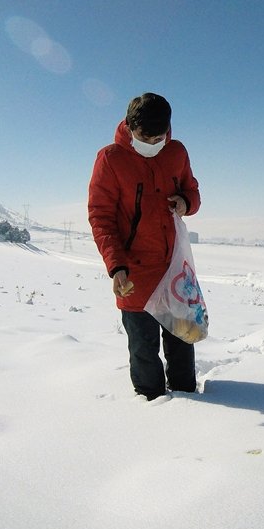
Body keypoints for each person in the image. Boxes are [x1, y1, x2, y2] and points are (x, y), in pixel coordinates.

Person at [88, 93, 202, 401]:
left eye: (159, 137)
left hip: (173, 271)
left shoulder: (176, 152)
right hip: (134, 275)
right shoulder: (110, 159)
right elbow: (101, 216)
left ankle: (192, 404)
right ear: (129, 126)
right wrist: (116, 265)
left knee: (182, 341)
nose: (152, 143)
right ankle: (150, 409)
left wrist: (186, 202)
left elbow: (192, 189)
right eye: (145, 137)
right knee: (143, 350)